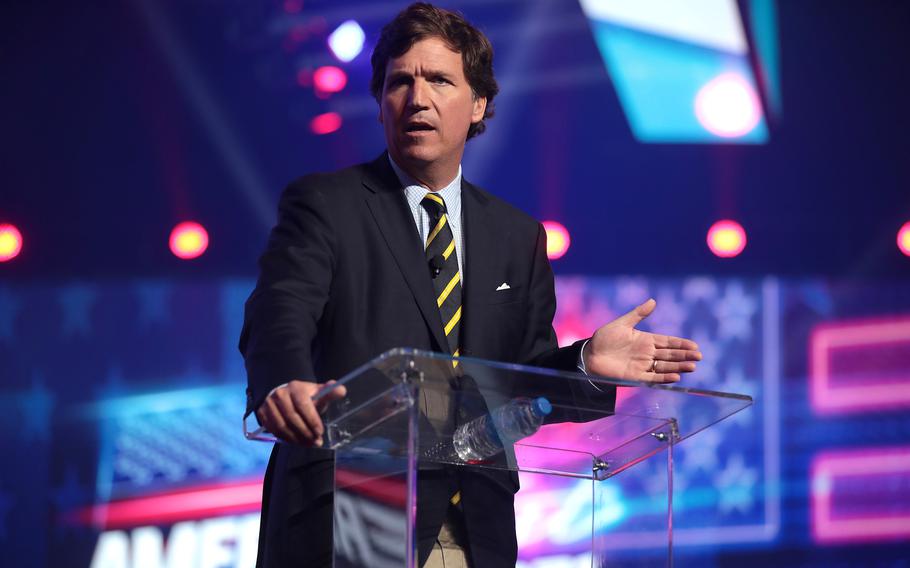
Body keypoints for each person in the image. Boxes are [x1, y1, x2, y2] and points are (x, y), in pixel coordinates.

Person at [239, 3, 702, 567]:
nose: (418, 98)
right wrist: (284, 381)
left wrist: (585, 364)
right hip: (352, 512)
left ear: (478, 103)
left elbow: (519, 383)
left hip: (473, 526)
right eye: (399, 82)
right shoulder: (326, 204)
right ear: (380, 103)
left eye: (439, 79)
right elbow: (278, 309)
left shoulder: (517, 236)